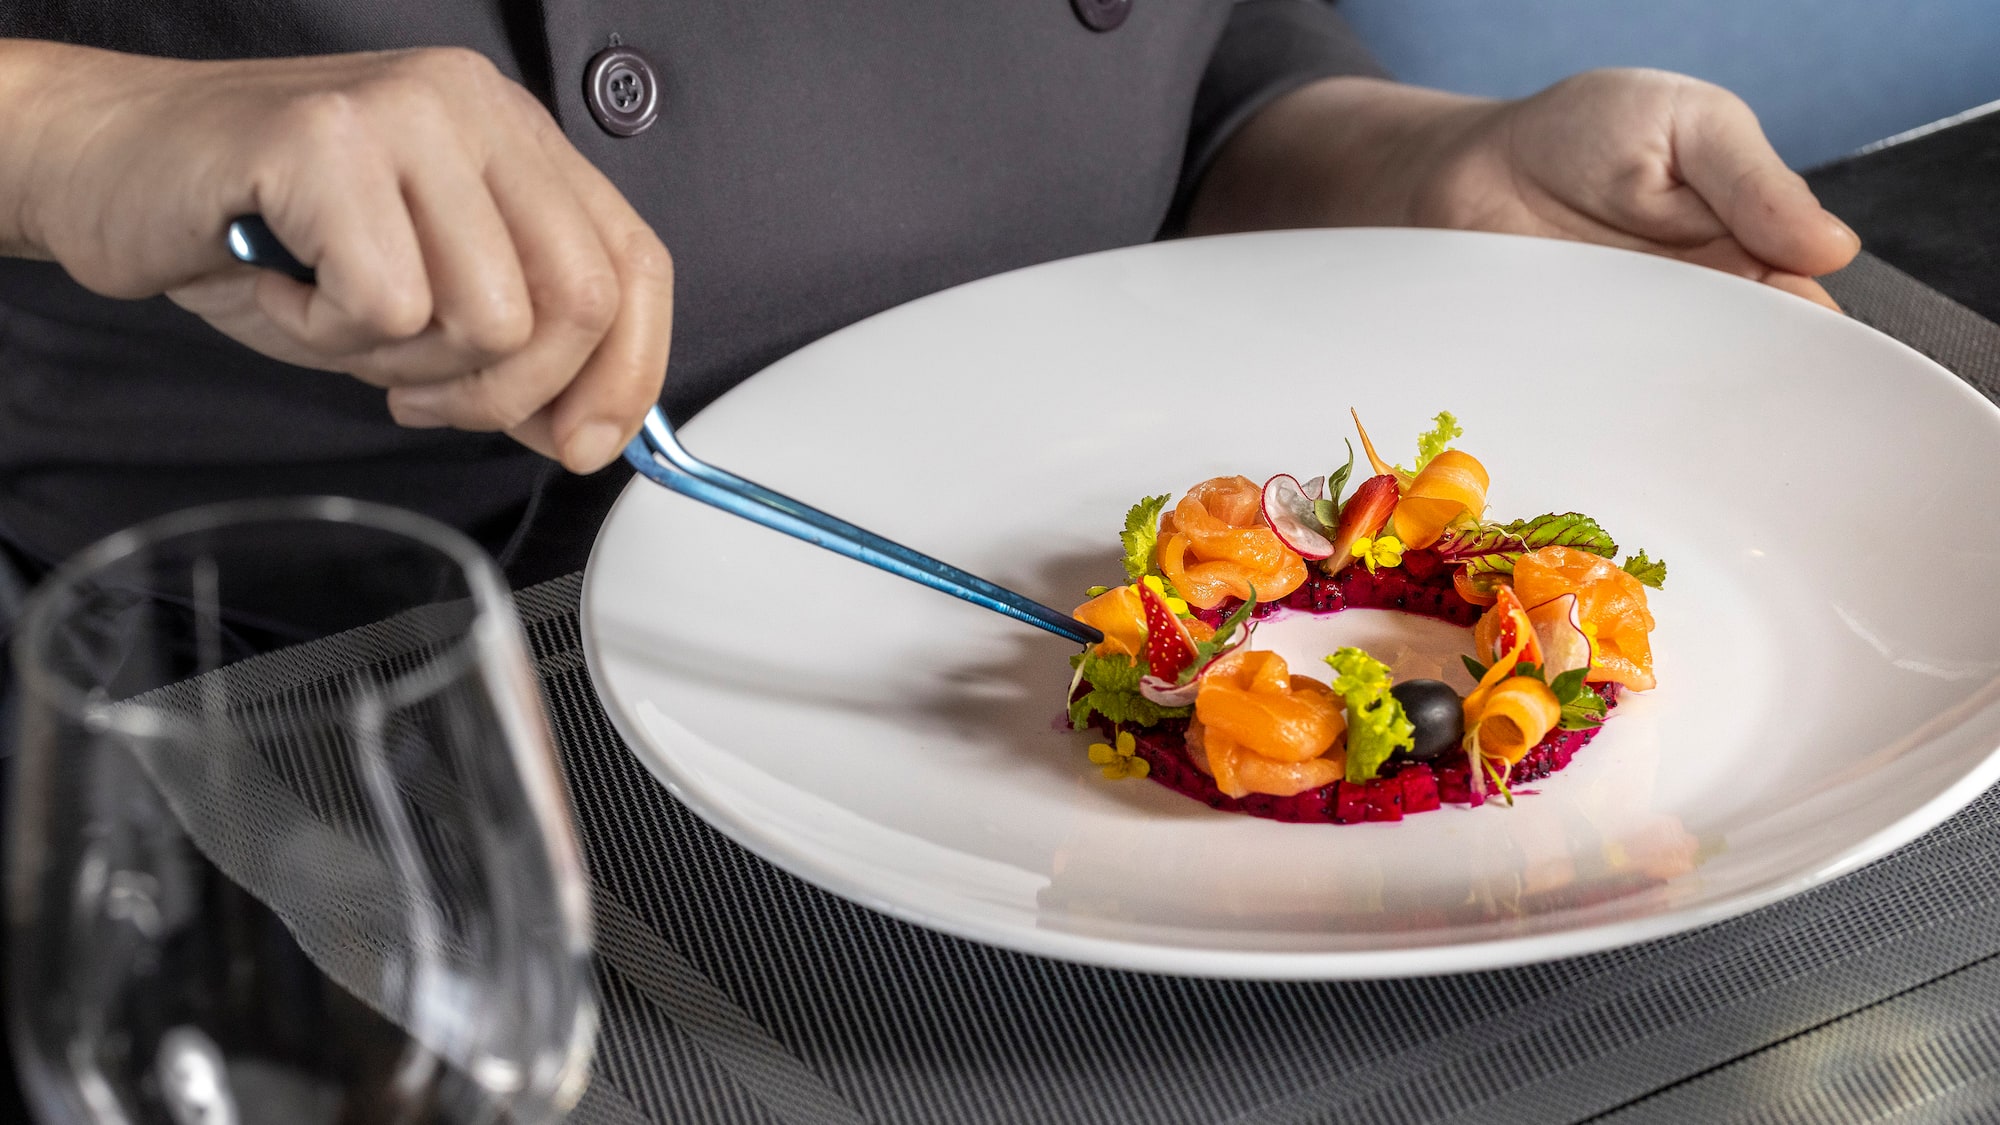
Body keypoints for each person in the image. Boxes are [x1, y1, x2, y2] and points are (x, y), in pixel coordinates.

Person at [0, 1, 1858, 596]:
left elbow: (1185, 65)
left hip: (1050, 623)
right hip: (306, 718)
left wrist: (1390, 171)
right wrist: (86, 122)